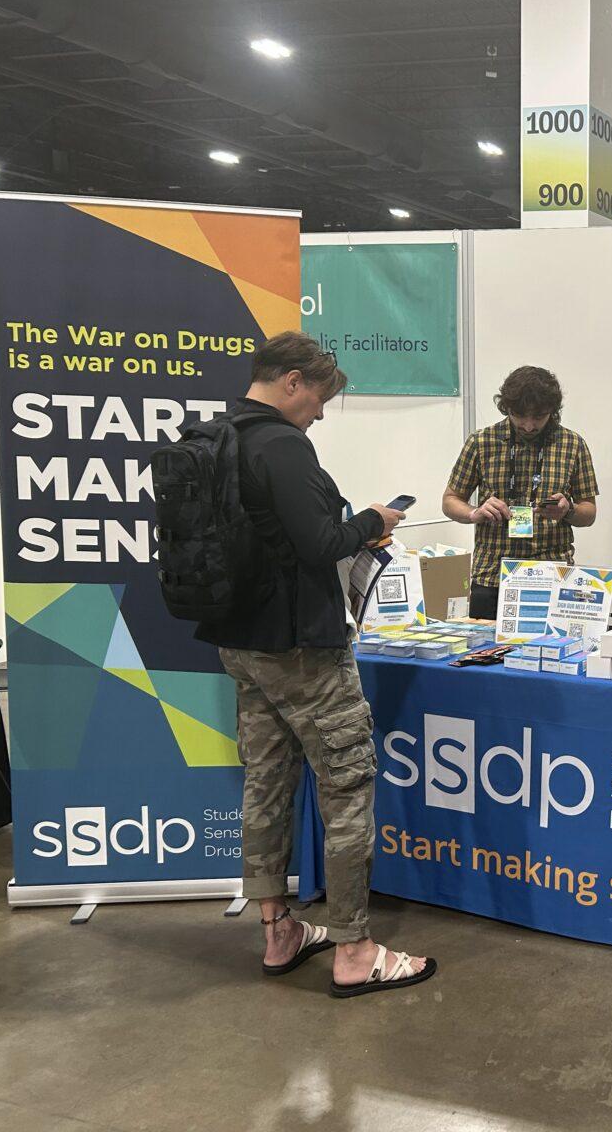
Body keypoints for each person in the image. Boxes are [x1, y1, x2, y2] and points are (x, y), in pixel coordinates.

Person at [196, 331, 436, 997]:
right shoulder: (281, 444)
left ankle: (278, 931)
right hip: (302, 650)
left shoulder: (217, 438)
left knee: (266, 782)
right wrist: (374, 519)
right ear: (293, 381)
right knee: (347, 786)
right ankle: (354, 949)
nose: (321, 413)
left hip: (242, 644)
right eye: (320, 398)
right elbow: (322, 542)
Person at [442, 365, 599, 619]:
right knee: (484, 644)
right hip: (492, 575)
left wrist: (568, 510)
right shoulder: (481, 442)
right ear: (506, 408)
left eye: (539, 417)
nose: (528, 426)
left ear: (552, 411)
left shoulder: (572, 444)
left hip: (552, 574)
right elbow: (450, 500)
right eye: (519, 416)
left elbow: (589, 512)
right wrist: (475, 513)